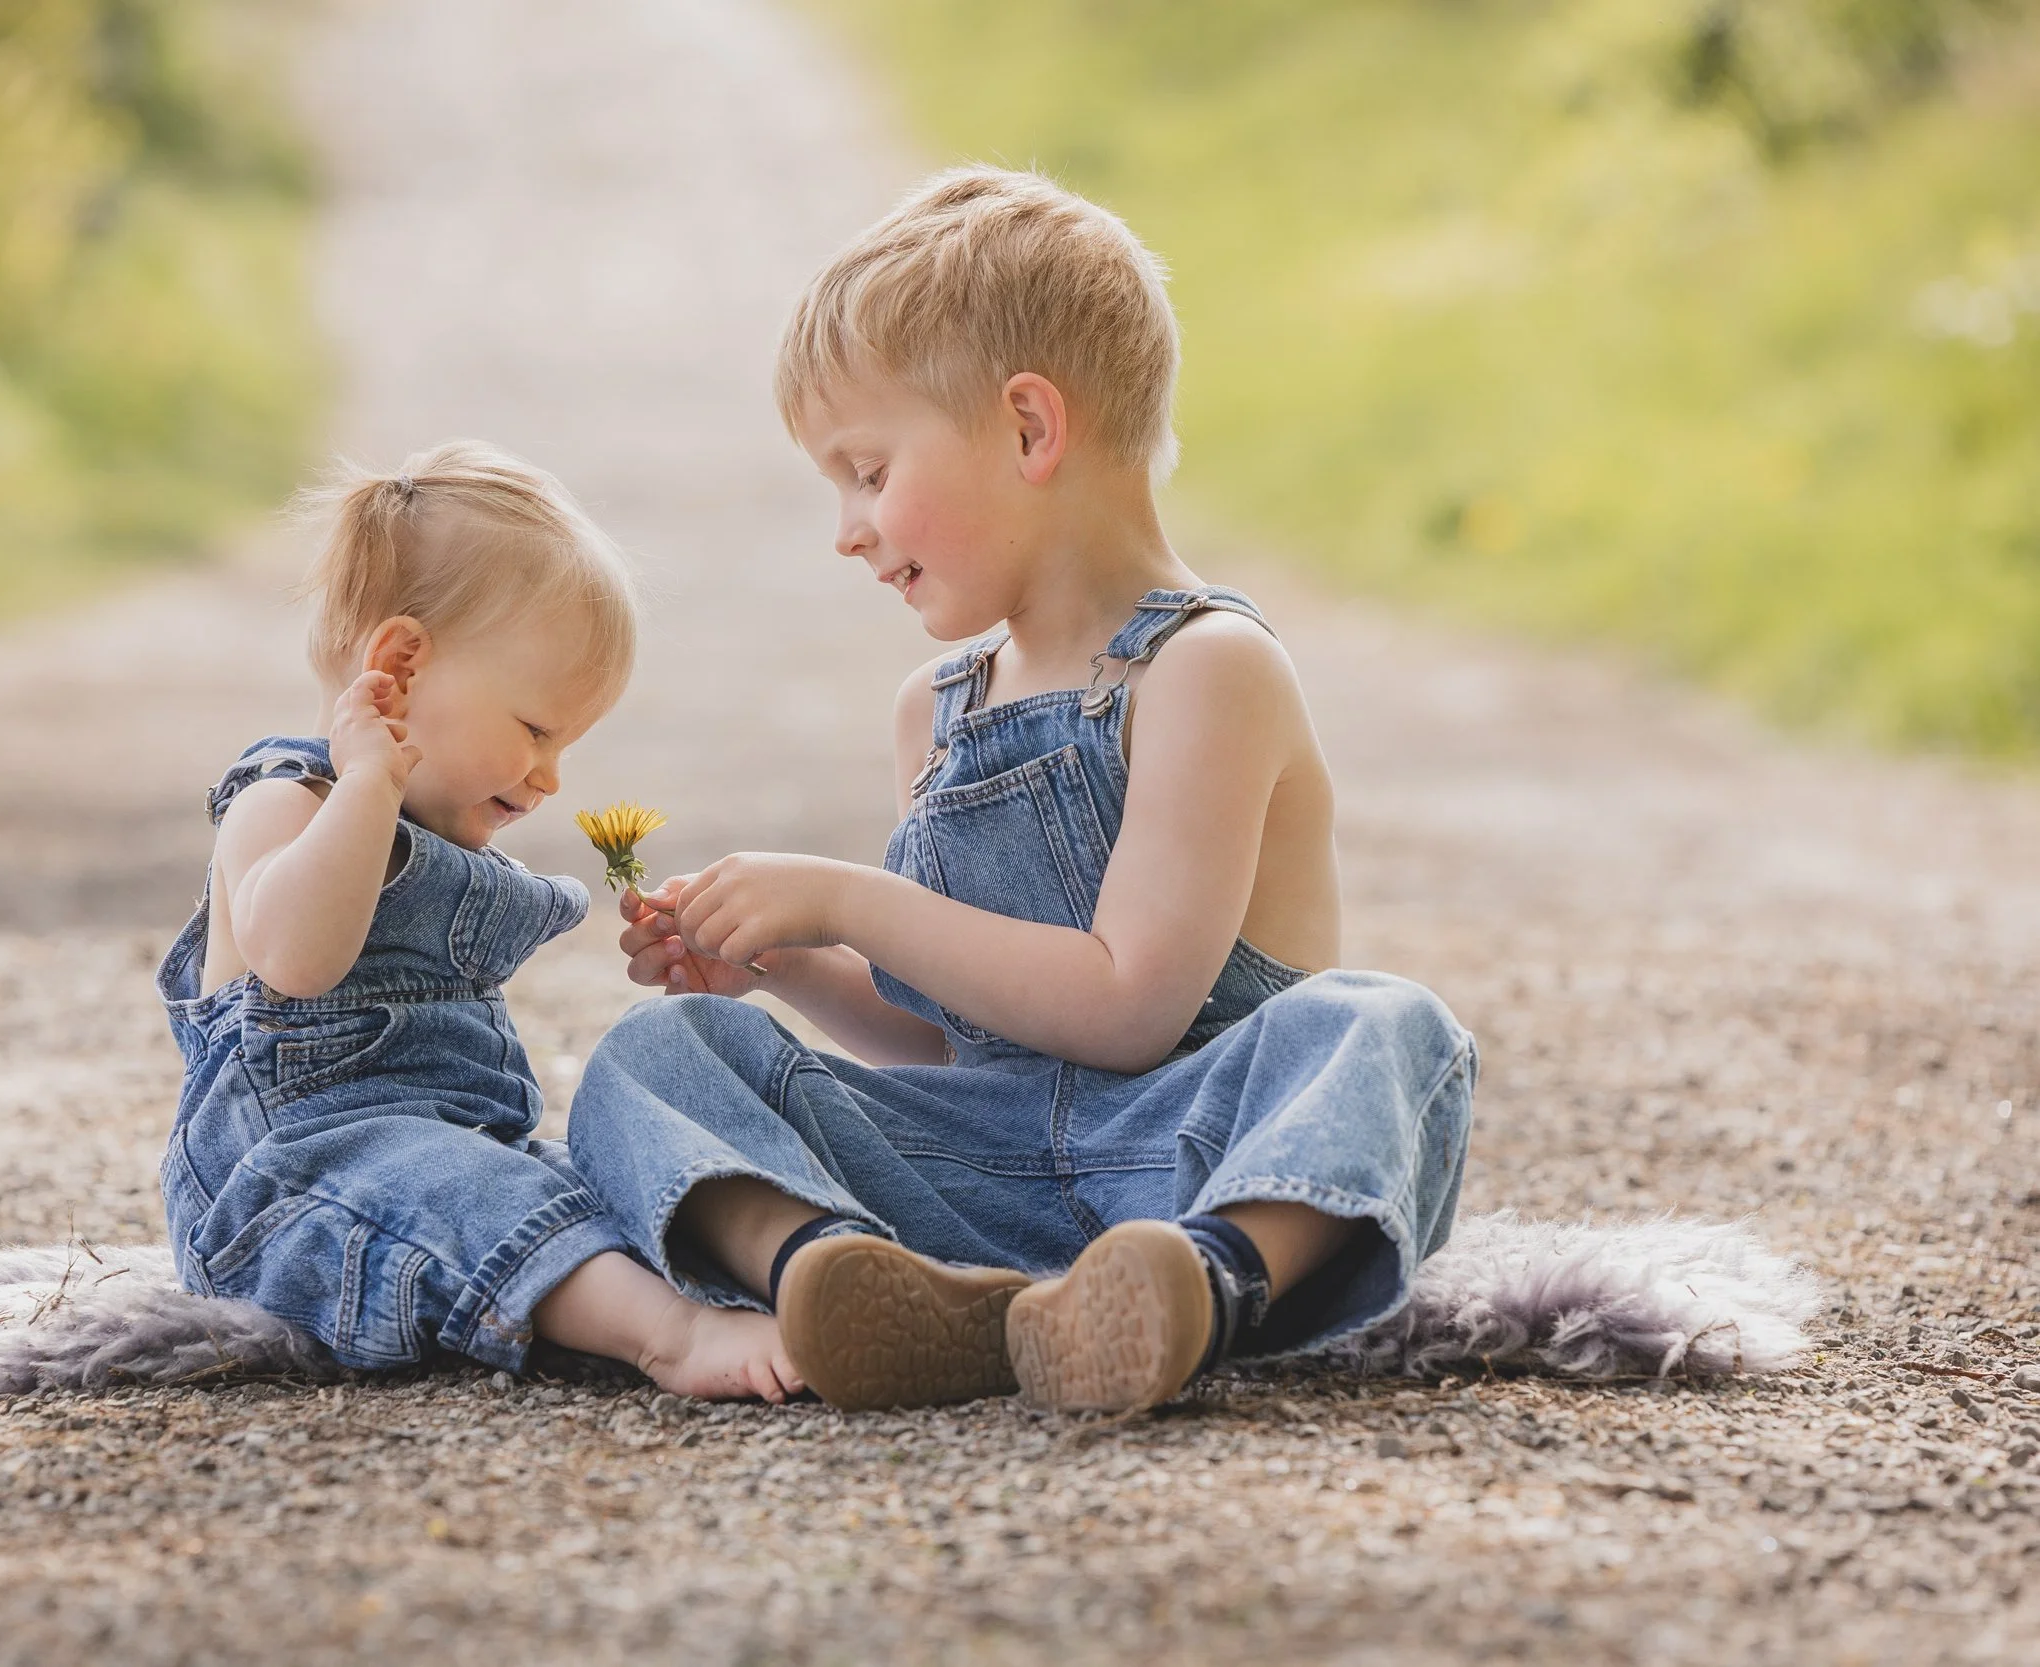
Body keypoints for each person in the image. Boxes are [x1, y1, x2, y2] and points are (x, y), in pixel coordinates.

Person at [566, 170, 1475, 1413]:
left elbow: (1127, 1010)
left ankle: (1197, 1283)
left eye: (867, 470)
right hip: (982, 1164)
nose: (845, 527)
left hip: (1195, 1153)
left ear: (1030, 429)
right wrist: (788, 966)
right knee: (655, 1056)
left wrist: (848, 900)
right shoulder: (933, 710)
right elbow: (958, 1038)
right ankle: (854, 1278)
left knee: (1387, 1028)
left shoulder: (1206, 669)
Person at [157, 441, 802, 1401]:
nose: (551, 776)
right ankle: (673, 1334)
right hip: (287, 1185)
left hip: (454, 1150)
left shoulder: (434, 832)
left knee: (592, 1183)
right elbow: (296, 958)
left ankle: (803, 1272)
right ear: (401, 666)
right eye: (537, 731)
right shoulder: (285, 801)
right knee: (470, 1196)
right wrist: (367, 784)